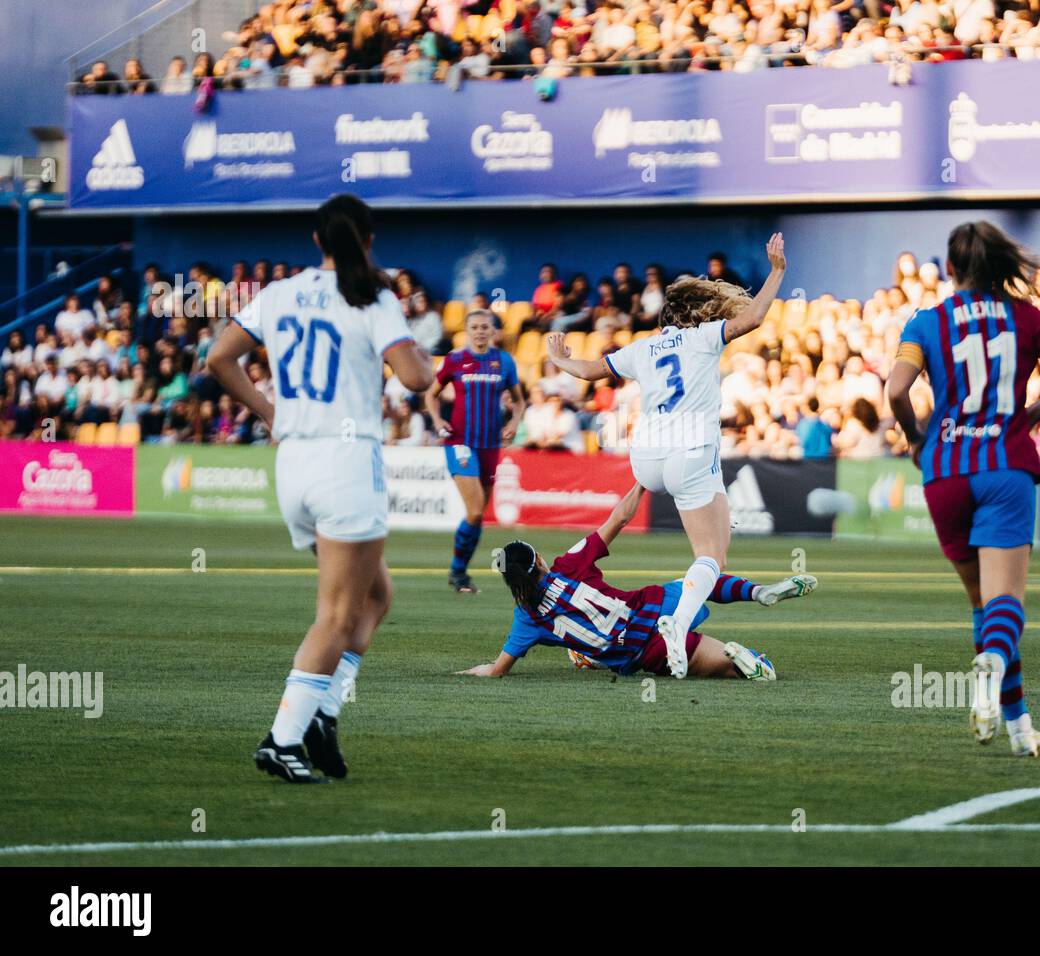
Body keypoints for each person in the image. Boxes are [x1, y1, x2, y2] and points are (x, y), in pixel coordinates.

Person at [207, 194, 435, 783]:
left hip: (295, 464)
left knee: (376, 595)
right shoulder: (371, 295)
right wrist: (424, 359)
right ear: (368, 238)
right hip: (345, 462)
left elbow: (218, 358)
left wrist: (268, 411)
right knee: (336, 616)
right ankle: (282, 740)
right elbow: (414, 378)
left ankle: (322, 713)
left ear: (315, 241)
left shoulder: (279, 292)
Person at [545, 234, 786, 679]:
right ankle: (676, 623)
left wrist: (560, 360)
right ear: (694, 315)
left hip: (646, 459)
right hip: (689, 452)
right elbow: (752, 319)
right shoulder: (703, 337)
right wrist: (776, 272)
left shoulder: (640, 348)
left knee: (715, 510)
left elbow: (589, 370)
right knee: (712, 556)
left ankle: (719, 522)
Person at [886, 221, 1040, 758]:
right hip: (1006, 467)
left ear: (950, 268)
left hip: (945, 471)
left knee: (982, 603)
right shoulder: (1028, 317)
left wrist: (915, 438)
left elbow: (896, 390)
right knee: (1005, 603)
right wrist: (1030, 415)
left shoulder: (926, 322)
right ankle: (991, 667)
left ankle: (1019, 727)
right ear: (999, 266)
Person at [457, 484, 816, 680]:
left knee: (736, 670)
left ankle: (742, 660)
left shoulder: (527, 620)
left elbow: (496, 670)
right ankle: (757, 592)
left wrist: (470, 671)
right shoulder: (569, 564)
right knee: (701, 576)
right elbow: (619, 518)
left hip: (647, 653)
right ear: (537, 560)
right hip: (654, 606)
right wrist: (644, 480)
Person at [426, 309, 524, 594]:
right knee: (474, 508)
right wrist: (437, 420)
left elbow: (519, 402)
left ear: (493, 331)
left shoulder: (504, 361)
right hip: (460, 442)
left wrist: (514, 423)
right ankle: (457, 572)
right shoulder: (455, 360)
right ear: (467, 331)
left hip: (490, 445)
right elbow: (431, 393)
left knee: (479, 513)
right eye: (475, 327)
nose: (480, 331)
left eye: (485, 327)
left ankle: (461, 574)